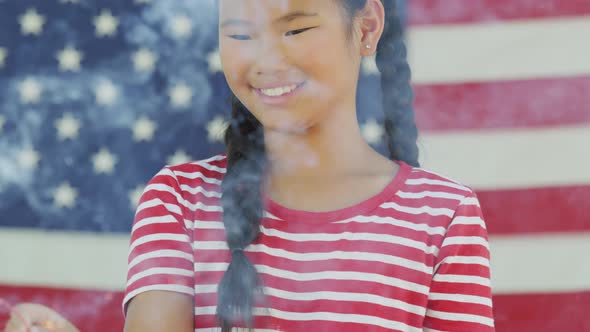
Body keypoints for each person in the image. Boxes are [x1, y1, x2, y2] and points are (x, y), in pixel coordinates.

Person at [6, 0, 495, 331]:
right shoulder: (179, 200)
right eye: (240, 32)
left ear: (366, 27)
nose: (265, 59)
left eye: (297, 28)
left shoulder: (445, 214)